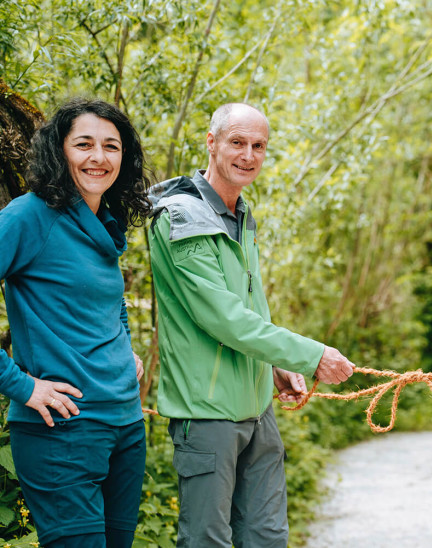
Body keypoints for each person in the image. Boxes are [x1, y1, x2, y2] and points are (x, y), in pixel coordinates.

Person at [148, 103, 356, 547]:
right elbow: (224, 320)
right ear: (212, 143)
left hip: (258, 410)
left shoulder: (241, 214)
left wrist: (276, 367)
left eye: (258, 146)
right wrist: (312, 355)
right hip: (207, 414)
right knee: (208, 541)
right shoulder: (180, 217)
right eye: (237, 142)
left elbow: (252, 311)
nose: (248, 155)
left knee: (266, 537)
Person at [0, 98, 151, 547]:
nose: (98, 158)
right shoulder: (28, 216)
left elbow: (112, 304)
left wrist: (123, 349)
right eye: (84, 144)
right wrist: (23, 386)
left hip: (125, 425)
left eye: (111, 146)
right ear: (58, 152)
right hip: (61, 433)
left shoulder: (105, 222)